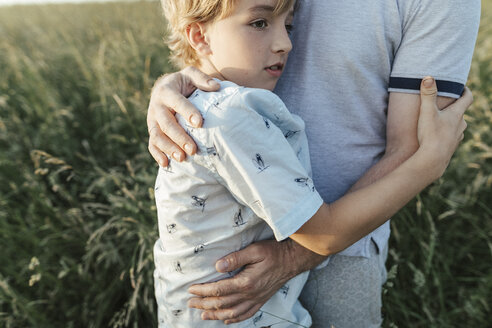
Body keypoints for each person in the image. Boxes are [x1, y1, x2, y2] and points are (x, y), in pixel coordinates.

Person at [148, 1, 480, 327]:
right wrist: (432, 163)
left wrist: (294, 257)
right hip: (244, 297)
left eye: (290, 25)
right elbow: (218, 20)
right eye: (261, 24)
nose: (286, 43)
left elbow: (412, 143)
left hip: (338, 250)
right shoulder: (226, 118)